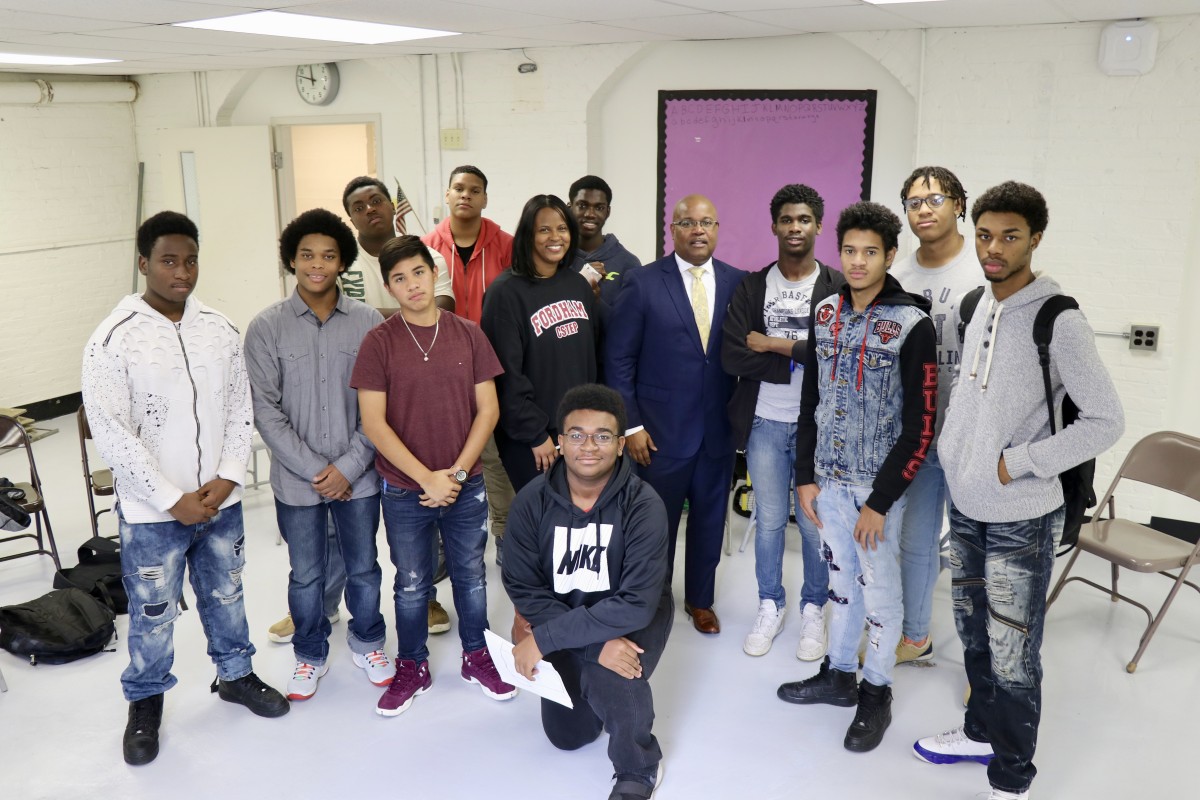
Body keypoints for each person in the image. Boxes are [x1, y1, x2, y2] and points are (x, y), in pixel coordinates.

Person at [913, 182, 1124, 800]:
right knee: (973, 633)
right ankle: (981, 731)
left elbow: (1106, 420)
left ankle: (1012, 775)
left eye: (1009, 236)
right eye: (984, 235)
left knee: (1013, 649)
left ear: (1035, 238)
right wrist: (959, 456)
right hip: (968, 503)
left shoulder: (1060, 317)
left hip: (1019, 514)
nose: (994, 248)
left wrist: (1021, 462)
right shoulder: (980, 301)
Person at [82, 211, 289, 767]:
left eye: (190, 259)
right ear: (144, 263)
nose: (182, 271)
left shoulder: (218, 328)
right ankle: (145, 702)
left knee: (227, 593)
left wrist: (225, 478)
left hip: (219, 500)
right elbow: (111, 431)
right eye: (169, 261)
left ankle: (236, 675)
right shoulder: (112, 339)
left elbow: (239, 409)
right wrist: (172, 497)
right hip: (155, 512)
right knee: (153, 610)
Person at [776, 201, 936, 754]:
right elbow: (810, 401)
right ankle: (840, 674)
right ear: (837, 252)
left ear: (891, 255)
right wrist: (804, 476)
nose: (859, 261)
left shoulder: (914, 324)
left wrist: (881, 502)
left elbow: (921, 425)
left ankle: (877, 691)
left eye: (871, 252)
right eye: (850, 251)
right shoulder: (824, 314)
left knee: (881, 593)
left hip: (876, 494)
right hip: (827, 483)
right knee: (841, 585)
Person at [351, 235, 517, 716]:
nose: (411, 285)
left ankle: (477, 655)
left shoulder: (468, 332)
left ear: (434, 274)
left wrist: (458, 474)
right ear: (388, 287)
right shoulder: (378, 342)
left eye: (418, 273)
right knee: (411, 581)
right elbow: (373, 423)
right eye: (399, 279)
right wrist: (427, 478)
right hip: (406, 490)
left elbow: (488, 410)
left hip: (465, 486)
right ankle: (413, 665)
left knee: (470, 575)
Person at [245, 209, 391, 701]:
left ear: (342, 262)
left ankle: (368, 640)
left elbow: (380, 407)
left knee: (365, 566)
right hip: (296, 483)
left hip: (360, 478)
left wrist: (348, 467)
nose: (317, 265)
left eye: (328, 255)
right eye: (306, 255)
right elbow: (265, 412)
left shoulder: (370, 323)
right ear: (292, 260)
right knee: (306, 575)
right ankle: (309, 653)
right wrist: (317, 470)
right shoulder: (266, 328)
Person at [503, 384, 671, 800]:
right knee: (567, 736)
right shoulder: (530, 502)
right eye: (577, 435)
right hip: (562, 610)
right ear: (559, 443)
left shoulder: (643, 505)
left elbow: (636, 603)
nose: (588, 446)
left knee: (612, 670)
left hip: (634, 614)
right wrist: (592, 645)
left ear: (619, 445)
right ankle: (592, 679)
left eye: (602, 436)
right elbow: (523, 586)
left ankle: (638, 767)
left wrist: (545, 639)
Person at [606, 194, 745, 635]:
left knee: (709, 520)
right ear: (673, 229)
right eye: (688, 222)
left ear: (719, 229)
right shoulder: (643, 282)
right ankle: (655, 600)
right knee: (655, 526)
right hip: (659, 435)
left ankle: (700, 601)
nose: (698, 230)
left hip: (717, 431)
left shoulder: (738, 283)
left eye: (707, 222)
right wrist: (631, 426)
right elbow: (619, 361)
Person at [721, 183, 846, 659]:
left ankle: (815, 608)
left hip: (818, 425)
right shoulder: (754, 286)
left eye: (804, 220)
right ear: (774, 226)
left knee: (816, 525)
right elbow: (734, 355)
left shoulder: (836, 286)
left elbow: (836, 355)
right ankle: (770, 603)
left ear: (817, 225)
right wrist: (800, 357)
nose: (795, 227)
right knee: (770, 520)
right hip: (766, 423)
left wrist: (775, 345)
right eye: (787, 220)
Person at [890, 166, 981, 665]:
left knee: (974, 553)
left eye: (935, 198)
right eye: (913, 202)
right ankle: (915, 635)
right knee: (917, 543)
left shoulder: (983, 267)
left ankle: (982, 662)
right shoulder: (899, 275)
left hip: (973, 440)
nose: (923, 209)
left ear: (959, 205)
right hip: (919, 435)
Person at [422, 165, 516, 564]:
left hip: (491, 367)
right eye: (458, 188)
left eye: (474, 190)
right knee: (440, 453)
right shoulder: (425, 246)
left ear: (485, 199)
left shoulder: (506, 244)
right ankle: (442, 541)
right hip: (438, 370)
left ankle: (505, 534)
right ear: (447, 194)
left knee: (492, 455)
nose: (466, 195)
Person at [481, 194, 602, 492]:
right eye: (544, 229)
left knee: (576, 521)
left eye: (562, 228)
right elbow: (505, 375)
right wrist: (534, 434)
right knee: (543, 523)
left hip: (578, 430)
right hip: (534, 438)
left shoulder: (577, 285)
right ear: (527, 235)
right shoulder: (505, 293)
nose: (555, 237)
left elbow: (595, 357)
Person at [567, 175, 642, 305]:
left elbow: (627, 322)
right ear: (569, 208)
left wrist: (594, 299)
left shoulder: (628, 264)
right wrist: (579, 283)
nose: (590, 214)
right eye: (582, 205)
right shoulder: (557, 257)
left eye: (599, 208)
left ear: (608, 212)